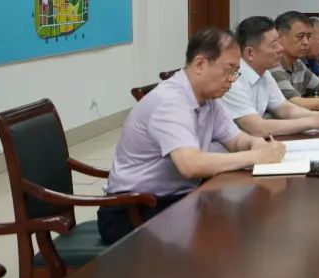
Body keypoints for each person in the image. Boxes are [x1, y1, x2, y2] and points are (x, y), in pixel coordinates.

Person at [98, 28, 286, 245]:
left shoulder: (209, 100)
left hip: (176, 198)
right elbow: (190, 165)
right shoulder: (170, 102)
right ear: (199, 64)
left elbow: (235, 140)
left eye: (236, 71)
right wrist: (255, 157)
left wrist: (257, 144)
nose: (232, 80)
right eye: (229, 70)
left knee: (248, 218)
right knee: (233, 231)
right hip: (133, 210)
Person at [220, 16, 319, 136]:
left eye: (278, 42)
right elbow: (257, 128)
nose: (280, 49)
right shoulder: (232, 80)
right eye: (273, 45)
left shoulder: (264, 73)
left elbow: (285, 109)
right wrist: (314, 121)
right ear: (250, 53)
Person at [269, 11, 319, 111]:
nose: (306, 42)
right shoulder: (272, 65)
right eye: (300, 36)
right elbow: (295, 104)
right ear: (279, 36)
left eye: (308, 37)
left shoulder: (298, 64)